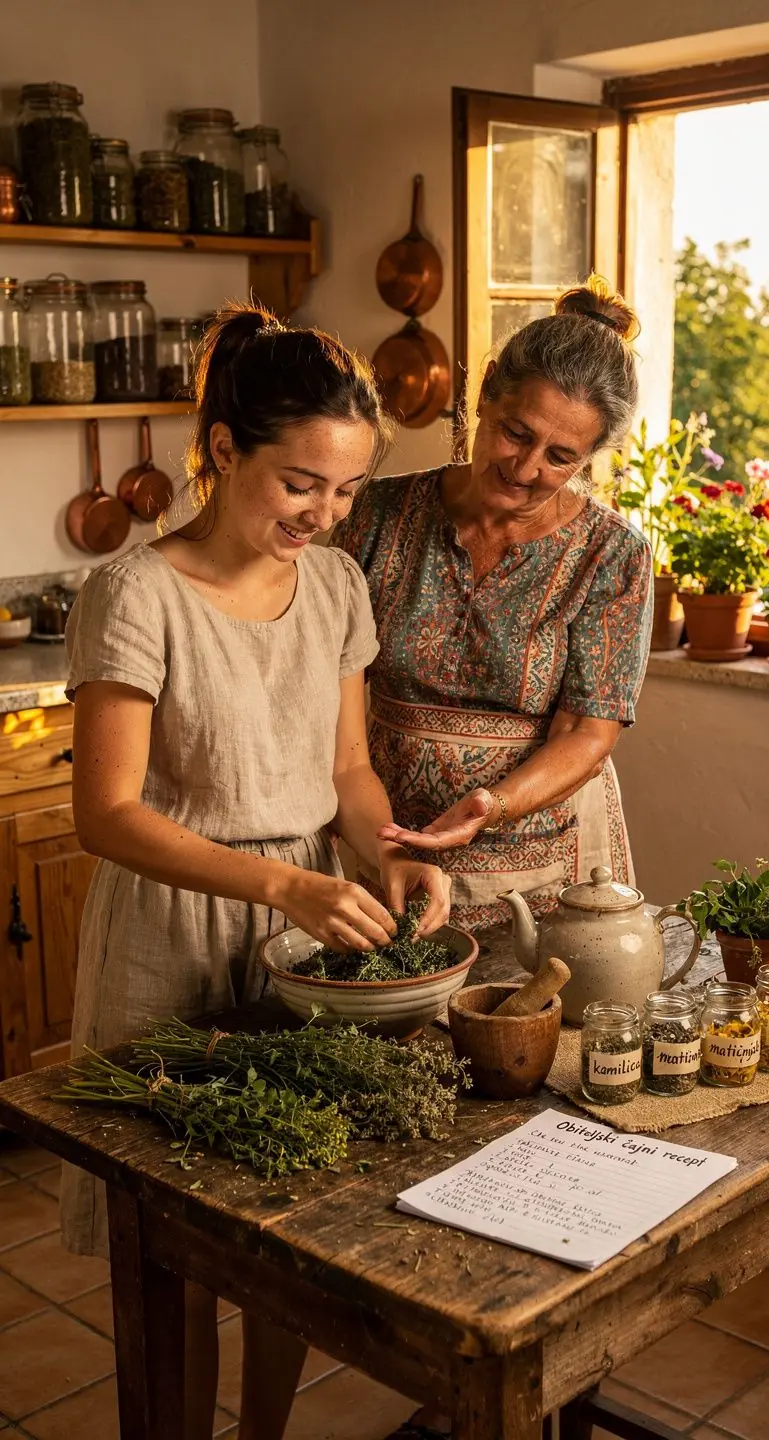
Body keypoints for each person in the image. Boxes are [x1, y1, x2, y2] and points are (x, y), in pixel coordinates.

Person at [60, 302, 450, 1440]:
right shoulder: (133, 595)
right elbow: (106, 816)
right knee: (173, 1251)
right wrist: (284, 886)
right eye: (300, 484)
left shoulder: (334, 588)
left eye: (345, 492)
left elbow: (346, 771)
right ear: (225, 449)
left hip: (303, 940)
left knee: (291, 1237)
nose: (322, 515)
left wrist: (391, 854)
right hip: (171, 931)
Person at [335, 275, 653, 939]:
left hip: (541, 872)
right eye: (516, 432)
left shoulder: (612, 554)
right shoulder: (376, 512)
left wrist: (493, 804)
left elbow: (588, 732)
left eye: (560, 457)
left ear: (588, 459)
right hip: (388, 846)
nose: (527, 467)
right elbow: (330, 694)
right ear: (484, 393)